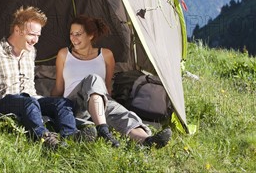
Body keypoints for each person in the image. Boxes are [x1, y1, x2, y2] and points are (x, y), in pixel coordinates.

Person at [0, 6, 96, 150]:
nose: (35, 40)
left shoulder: (31, 52)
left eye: (38, 36)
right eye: (31, 34)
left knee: (62, 103)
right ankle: (44, 138)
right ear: (17, 30)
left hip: (32, 99)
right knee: (28, 103)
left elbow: (33, 97)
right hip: (3, 101)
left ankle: (71, 136)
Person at [51, 15, 172, 148]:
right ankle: (104, 131)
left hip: (98, 102)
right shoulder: (64, 54)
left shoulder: (106, 55)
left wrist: (112, 107)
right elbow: (59, 87)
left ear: (90, 35)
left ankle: (148, 141)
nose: (73, 38)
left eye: (78, 34)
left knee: (121, 113)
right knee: (93, 78)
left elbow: (107, 88)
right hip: (74, 104)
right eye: (71, 34)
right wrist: (49, 106)